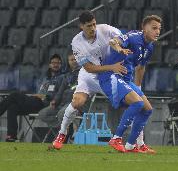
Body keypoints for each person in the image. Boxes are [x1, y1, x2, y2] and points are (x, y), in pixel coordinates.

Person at [52, 11, 128, 150]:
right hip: (89, 75)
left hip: (109, 75)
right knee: (77, 102)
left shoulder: (105, 29)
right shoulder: (76, 42)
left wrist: (117, 43)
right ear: (81, 26)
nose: (93, 28)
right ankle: (61, 134)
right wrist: (112, 66)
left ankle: (120, 139)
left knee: (124, 102)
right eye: (88, 26)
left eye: (94, 24)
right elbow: (89, 68)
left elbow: (122, 36)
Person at [98, 15, 162, 153]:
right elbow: (113, 41)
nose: (157, 31)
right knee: (137, 103)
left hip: (126, 79)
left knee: (147, 109)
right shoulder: (133, 37)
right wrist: (120, 49)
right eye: (154, 28)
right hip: (111, 76)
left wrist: (138, 88)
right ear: (144, 28)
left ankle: (131, 145)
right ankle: (116, 138)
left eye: (159, 29)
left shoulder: (149, 47)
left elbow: (141, 67)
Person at [0, 54, 63, 142]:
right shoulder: (46, 77)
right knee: (12, 107)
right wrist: (37, 96)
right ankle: (11, 137)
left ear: (61, 65)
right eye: (53, 62)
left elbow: (56, 95)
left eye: (58, 63)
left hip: (45, 104)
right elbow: (40, 92)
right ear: (49, 64)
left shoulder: (62, 78)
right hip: (35, 101)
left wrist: (40, 96)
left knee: (14, 95)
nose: (55, 64)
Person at [38, 52, 80, 127]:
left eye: (75, 59)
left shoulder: (84, 73)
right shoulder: (67, 76)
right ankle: (64, 128)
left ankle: (64, 134)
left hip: (75, 104)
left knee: (62, 114)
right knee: (43, 114)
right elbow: (60, 91)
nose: (74, 61)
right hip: (62, 103)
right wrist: (55, 101)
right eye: (71, 60)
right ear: (68, 62)